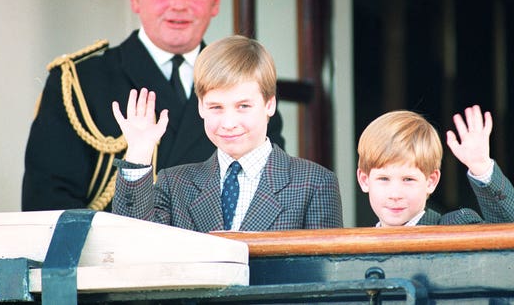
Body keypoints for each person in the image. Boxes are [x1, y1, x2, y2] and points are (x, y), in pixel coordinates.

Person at [22, 0, 284, 212]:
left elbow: (269, 195)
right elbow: (48, 206)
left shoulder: (248, 85)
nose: (179, 4)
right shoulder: (81, 82)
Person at [111, 35, 343, 231]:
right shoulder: (175, 183)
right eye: (216, 107)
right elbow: (134, 243)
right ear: (201, 107)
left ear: (270, 104)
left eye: (243, 106)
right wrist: (140, 152)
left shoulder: (315, 183)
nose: (229, 123)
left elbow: (323, 278)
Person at [356, 105, 514, 226]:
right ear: (364, 180)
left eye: (408, 179)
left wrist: (481, 167)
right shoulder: (355, 245)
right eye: (384, 178)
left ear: (431, 181)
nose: (395, 194)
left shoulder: (454, 227)